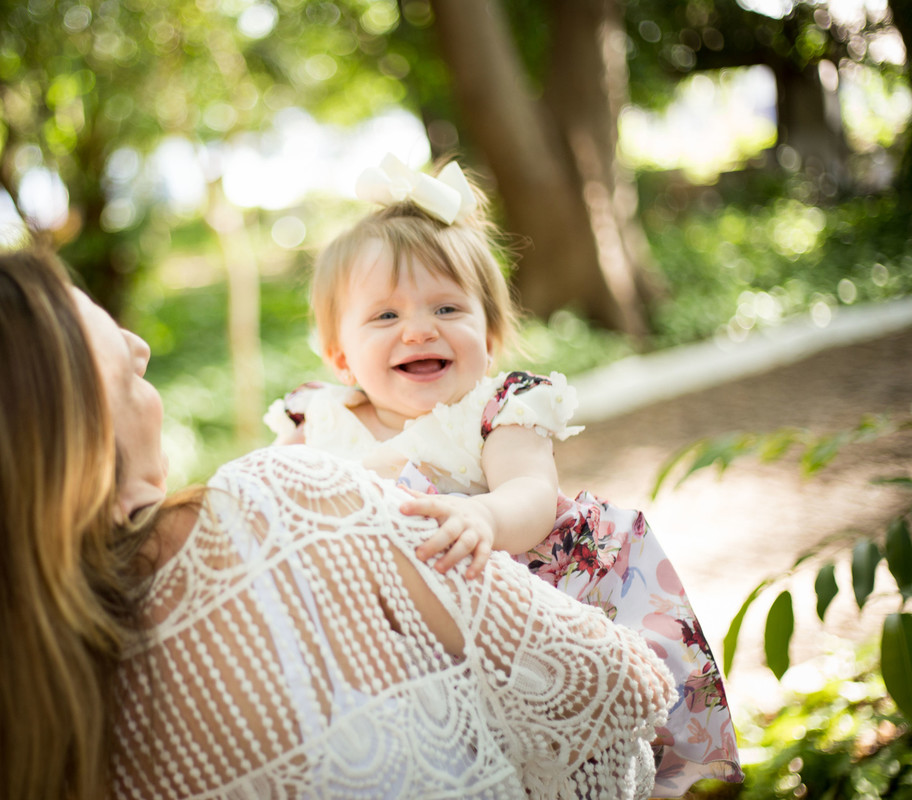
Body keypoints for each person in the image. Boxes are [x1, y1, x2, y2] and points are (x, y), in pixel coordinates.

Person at [0, 250, 673, 800]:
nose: (138, 343)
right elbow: (617, 693)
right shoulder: (273, 510)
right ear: (42, 424)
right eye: (93, 328)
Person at [264, 154, 744, 795]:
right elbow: (271, 489)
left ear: (489, 336)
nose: (417, 329)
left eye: (446, 308)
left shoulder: (495, 411)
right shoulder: (313, 416)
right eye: (385, 316)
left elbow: (531, 494)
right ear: (339, 353)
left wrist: (482, 514)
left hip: (518, 618)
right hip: (394, 634)